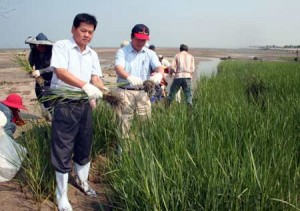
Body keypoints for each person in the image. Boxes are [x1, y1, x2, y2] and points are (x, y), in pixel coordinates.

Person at [50, 13, 107, 211]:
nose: (86, 35)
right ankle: (61, 195)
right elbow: (61, 72)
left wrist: (102, 91)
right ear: (73, 29)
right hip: (66, 103)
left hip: (84, 105)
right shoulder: (62, 46)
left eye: (90, 32)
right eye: (83, 30)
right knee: (63, 147)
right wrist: (85, 85)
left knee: (84, 144)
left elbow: (96, 78)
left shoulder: (92, 54)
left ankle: (83, 182)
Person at [115, 24, 164, 137]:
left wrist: (159, 74)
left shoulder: (150, 53)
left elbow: (158, 66)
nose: (141, 42)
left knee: (145, 119)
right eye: (138, 39)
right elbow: (119, 68)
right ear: (132, 37)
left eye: (144, 40)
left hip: (143, 92)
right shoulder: (122, 52)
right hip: (125, 92)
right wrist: (128, 77)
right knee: (125, 120)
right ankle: (123, 149)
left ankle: (143, 147)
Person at [25, 33, 54, 120]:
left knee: (49, 99)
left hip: (50, 79)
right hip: (38, 79)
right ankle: (45, 117)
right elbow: (30, 64)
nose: (41, 47)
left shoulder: (51, 52)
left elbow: (53, 67)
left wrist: (40, 71)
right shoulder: (34, 52)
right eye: (39, 45)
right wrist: (31, 71)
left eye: (43, 45)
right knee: (39, 96)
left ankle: (53, 118)